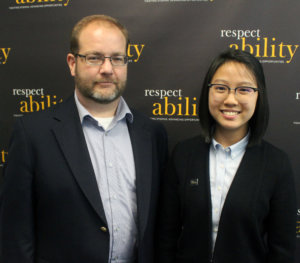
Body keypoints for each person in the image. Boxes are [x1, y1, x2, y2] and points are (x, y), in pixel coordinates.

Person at [0, 15, 168, 263]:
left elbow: (161, 227)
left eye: (117, 58)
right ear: (72, 63)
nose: (108, 68)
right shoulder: (32, 133)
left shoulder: (152, 134)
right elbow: (15, 234)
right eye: (94, 57)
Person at [157, 49, 297, 263]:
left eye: (244, 89)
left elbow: (283, 251)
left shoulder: (276, 164)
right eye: (221, 88)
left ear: (258, 95)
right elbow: (166, 238)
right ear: (208, 92)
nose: (231, 100)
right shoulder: (183, 155)